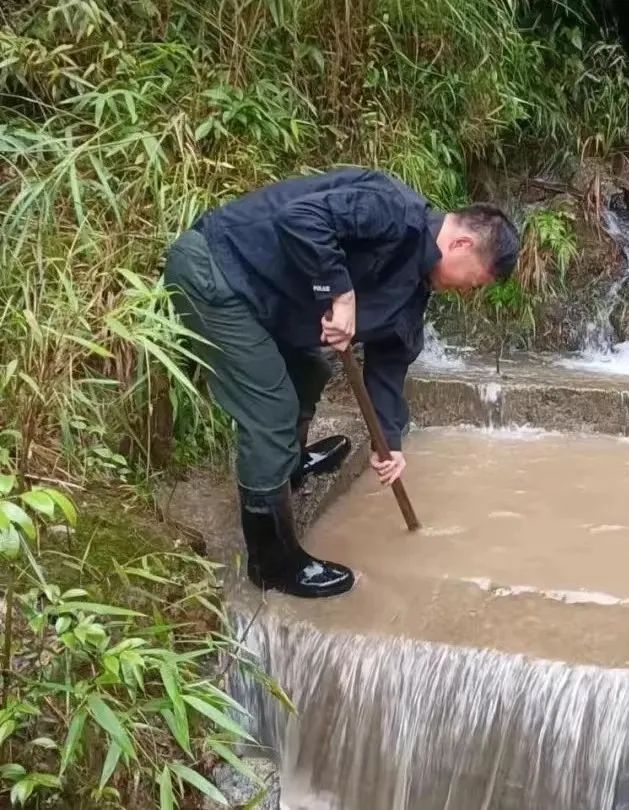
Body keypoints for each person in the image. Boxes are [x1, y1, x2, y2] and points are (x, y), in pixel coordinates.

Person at [164, 167, 520, 599]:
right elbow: (300, 218)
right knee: (272, 411)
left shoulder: (415, 292)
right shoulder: (392, 209)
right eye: (475, 281)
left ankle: (289, 466)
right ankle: (272, 560)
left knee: (311, 370)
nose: (470, 292)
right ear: (461, 244)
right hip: (219, 272)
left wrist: (388, 444)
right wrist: (340, 294)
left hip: (271, 302)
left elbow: (390, 363)